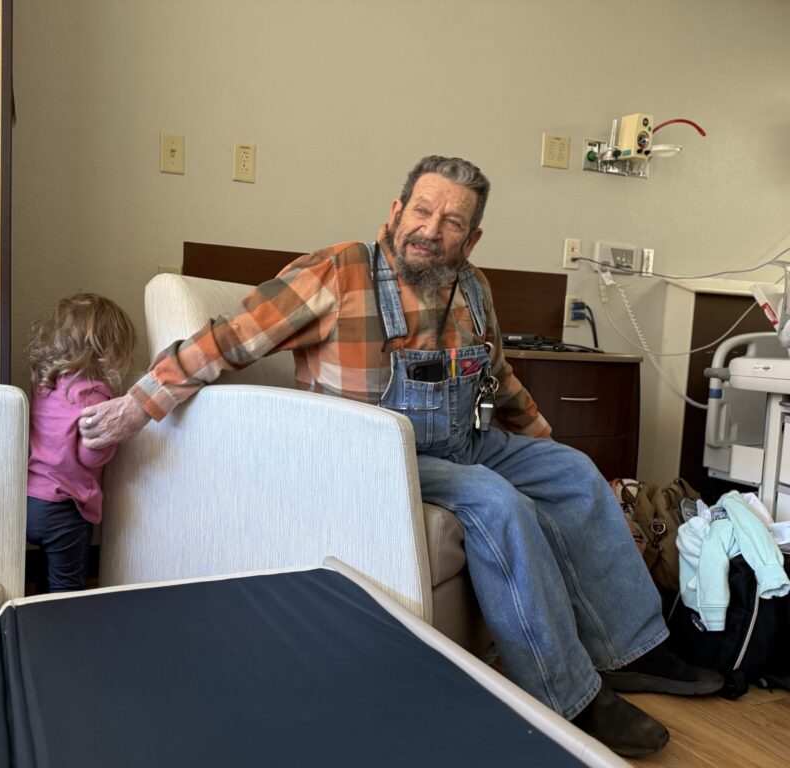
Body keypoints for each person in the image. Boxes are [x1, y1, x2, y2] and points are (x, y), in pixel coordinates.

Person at [78, 156, 722, 756]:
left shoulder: (473, 288)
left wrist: (544, 441)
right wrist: (139, 404)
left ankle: (630, 649)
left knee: (574, 473)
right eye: (421, 210)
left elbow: (498, 378)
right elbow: (227, 339)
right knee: (495, 502)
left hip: (461, 441)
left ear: (471, 239)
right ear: (395, 210)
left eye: (452, 222)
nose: (430, 231)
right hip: (375, 455)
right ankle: (568, 698)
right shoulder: (337, 272)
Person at [25, 293, 136, 592]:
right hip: (66, 506)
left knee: (40, 574)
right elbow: (89, 456)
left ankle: (37, 613)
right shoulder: (94, 394)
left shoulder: (44, 384)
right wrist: (114, 438)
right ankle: (64, 619)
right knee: (67, 585)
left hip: (31, 498)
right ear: (108, 350)